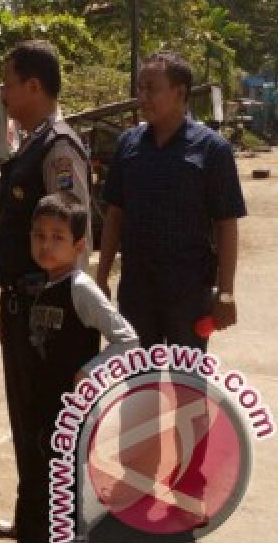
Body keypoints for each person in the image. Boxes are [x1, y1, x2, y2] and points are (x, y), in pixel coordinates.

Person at [0, 40, 92, 543]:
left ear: (33, 85)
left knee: (51, 424)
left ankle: (56, 531)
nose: (3, 93)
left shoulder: (58, 147)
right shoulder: (32, 141)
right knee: (28, 417)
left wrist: (62, 309)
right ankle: (34, 518)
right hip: (23, 302)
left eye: (8, 83)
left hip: (48, 310)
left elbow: (71, 237)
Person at [9, 194, 139, 543]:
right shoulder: (41, 283)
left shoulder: (80, 287)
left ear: (79, 246)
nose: (46, 245)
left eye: (57, 237)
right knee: (37, 487)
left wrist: (91, 370)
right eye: (39, 236)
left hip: (69, 411)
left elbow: (128, 339)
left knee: (64, 494)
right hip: (41, 407)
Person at [95, 51, 245, 349]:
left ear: (179, 93)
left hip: (189, 295)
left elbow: (226, 222)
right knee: (137, 385)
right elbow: (115, 214)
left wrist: (225, 291)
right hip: (137, 293)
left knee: (186, 388)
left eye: (152, 88)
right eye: (140, 88)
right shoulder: (128, 145)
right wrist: (101, 276)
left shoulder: (212, 150)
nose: (143, 96)